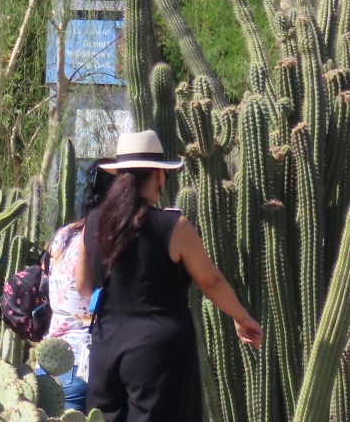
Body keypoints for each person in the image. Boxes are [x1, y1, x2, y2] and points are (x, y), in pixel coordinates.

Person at [76, 130, 263, 422]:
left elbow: (82, 284)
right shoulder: (173, 226)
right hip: (158, 350)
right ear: (159, 177)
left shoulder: (93, 222)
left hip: (105, 346)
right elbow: (209, 280)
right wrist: (242, 318)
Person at [41, 164, 114, 408]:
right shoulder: (100, 236)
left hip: (48, 357)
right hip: (80, 361)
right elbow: (84, 287)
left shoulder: (64, 233)